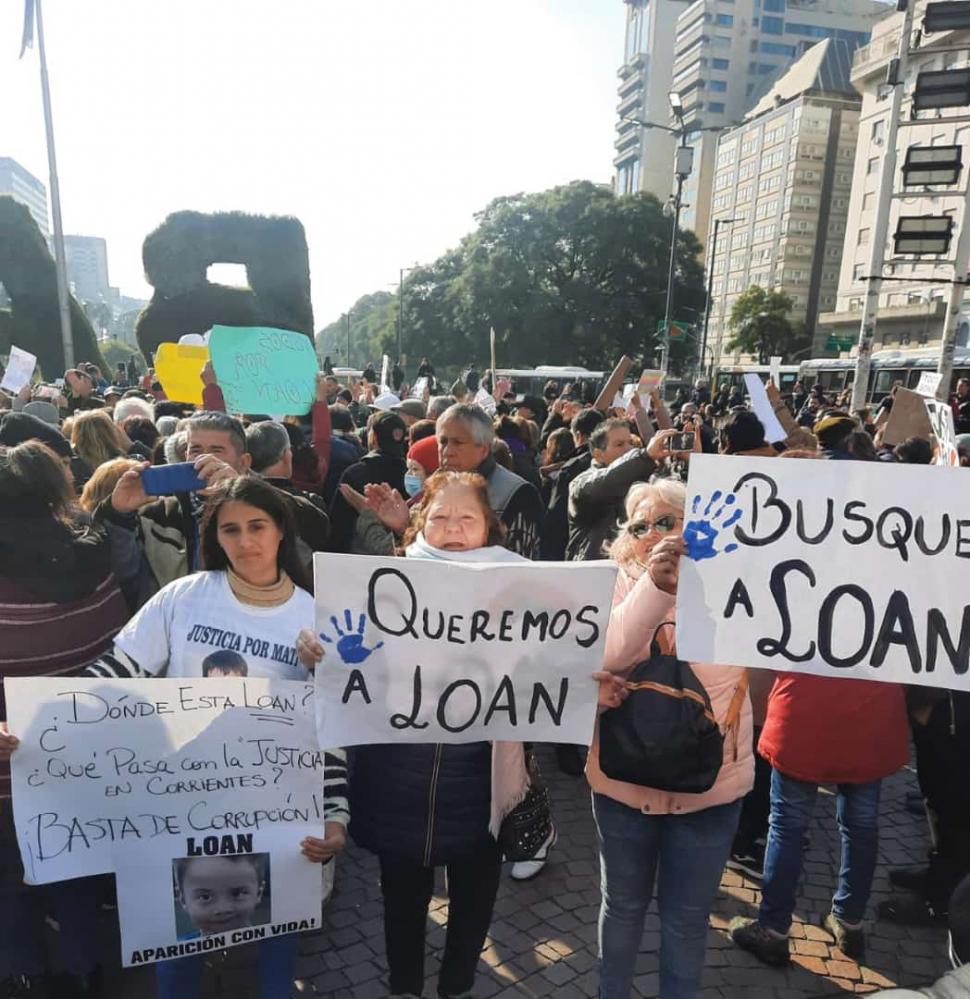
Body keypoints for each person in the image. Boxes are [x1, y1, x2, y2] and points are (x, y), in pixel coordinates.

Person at [81, 475, 349, 998]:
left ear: (280, 532)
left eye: (257, 526)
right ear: (215, 536)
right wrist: (38, 722)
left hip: (276, 811)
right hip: (181, 802)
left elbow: (329, 728)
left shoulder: (314, 620)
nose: (245, 541)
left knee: (277, 949)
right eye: (230, 530)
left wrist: (335, 813)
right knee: (178, 944)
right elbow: (117, 671)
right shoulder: (182, 597)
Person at [298, 471, 529, 999]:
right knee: (401, 903)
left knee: (473, 908)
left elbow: (551, 663)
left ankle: (456, 989)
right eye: (441, 517)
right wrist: (318, 650)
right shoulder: (383, 583)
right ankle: (404, 989)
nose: (453, 530)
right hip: (397, 781)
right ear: (422, 523)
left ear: (488, 528)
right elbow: (349, 650)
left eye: (466, 518)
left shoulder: (524, 590)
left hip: (482, 785)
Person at [588, 480, 753, 999]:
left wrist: (695, 584)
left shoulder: (739, 581)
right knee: (622, 906)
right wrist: (654, 589)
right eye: (640, 527)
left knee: (686, 919)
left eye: (666, 522)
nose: (652, 535)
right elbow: (608, 652)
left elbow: (722, 676)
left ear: (694, 523)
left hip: (709, 788)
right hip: (623, 786)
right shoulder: (611, 582)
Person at [0, 441, 133, 997]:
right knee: (74, 866)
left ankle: (24, 970)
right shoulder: (95, 564)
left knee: (7, 883)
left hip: (6, 769)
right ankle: (83, 965)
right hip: (82, 764)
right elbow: (121, 655)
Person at [730, 637, 910, 965]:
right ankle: (849, 921)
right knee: (861, 824)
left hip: (804, 705)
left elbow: (772, 643)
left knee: (787, 825)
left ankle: (773, 929)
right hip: (871, 709)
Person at [98, 410, 330, 601]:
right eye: (195, 450)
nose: (204, 460)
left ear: (244, 462)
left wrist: (244, 491)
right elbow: (124, 575)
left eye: (217, 451)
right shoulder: (158, 514)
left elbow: (315, 535)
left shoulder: (270, 505)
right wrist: (117, 513)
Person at [566, 417, 663, 561]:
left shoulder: (641, 479)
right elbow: (606, 481)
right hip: (593, 573)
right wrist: (645, 457)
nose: (629, 449)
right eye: (619, 444)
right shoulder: (582, 483)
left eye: (630, 442)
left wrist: (687, 460)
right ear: (598, 454)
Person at [329, 411, 408, 551]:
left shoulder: (354, 473)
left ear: (374, 437)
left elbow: (337, 526)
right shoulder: (410, 474)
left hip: (356, 560)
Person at [539, 407, 604, 562]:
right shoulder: (613, 463)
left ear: (578, 435)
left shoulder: (571, 469)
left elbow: (556, 520)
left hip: (575, 550)